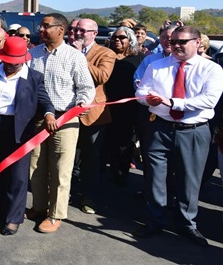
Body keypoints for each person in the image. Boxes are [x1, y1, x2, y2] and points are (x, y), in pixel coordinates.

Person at [134, 26, 223, 246]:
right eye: (173, 42)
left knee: (189, 180)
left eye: (182, 42)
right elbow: (141, 92)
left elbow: (208, 100)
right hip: (159, 128)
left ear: (198, 43)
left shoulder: (211, 69)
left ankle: (187, 224)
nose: (176, 46)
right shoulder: (156, 66)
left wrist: (172, 102)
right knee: (155, 177)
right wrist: (148, 100)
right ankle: (155, 221)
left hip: (193, 130)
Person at [26, 13, 95, 234]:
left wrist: (81, 104)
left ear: (61, 30)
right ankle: (38, 207)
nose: (41, 30)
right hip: (37, 118)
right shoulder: (33, 54)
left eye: (46, 26)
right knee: (36, 166)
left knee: (60, 169)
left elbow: (86, 88)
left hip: (65, 118)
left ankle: (55, 214)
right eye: (41, 26)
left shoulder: (74, 57)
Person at [0, 36, 55, 236]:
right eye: (7, 61)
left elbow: (46, 102)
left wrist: (50, 114)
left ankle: (14, 218)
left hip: (19, 130)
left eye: (14, 63)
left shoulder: (33, 77)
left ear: (23, 60)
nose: (9, 66)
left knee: (18, 176)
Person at [69, 19, 115, 215]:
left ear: (94, 33)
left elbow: (101, 77)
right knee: (68, 158)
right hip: (68, 111)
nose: (78, 33)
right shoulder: (66, 49)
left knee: (91, 159)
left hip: (93, 115)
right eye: (76, 29)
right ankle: (65, 194)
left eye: (83, 30)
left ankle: (89, 196)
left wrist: (79, 56)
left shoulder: (106, 53)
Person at [104, 27, 145, 185]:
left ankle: (120, 174)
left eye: (122, 37)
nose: (117, 40)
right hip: (105, 105)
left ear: (130, 40)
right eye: (115, 37)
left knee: (124, 142)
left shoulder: (139, 58)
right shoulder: (106, 56)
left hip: (129, 108)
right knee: (106, 141)